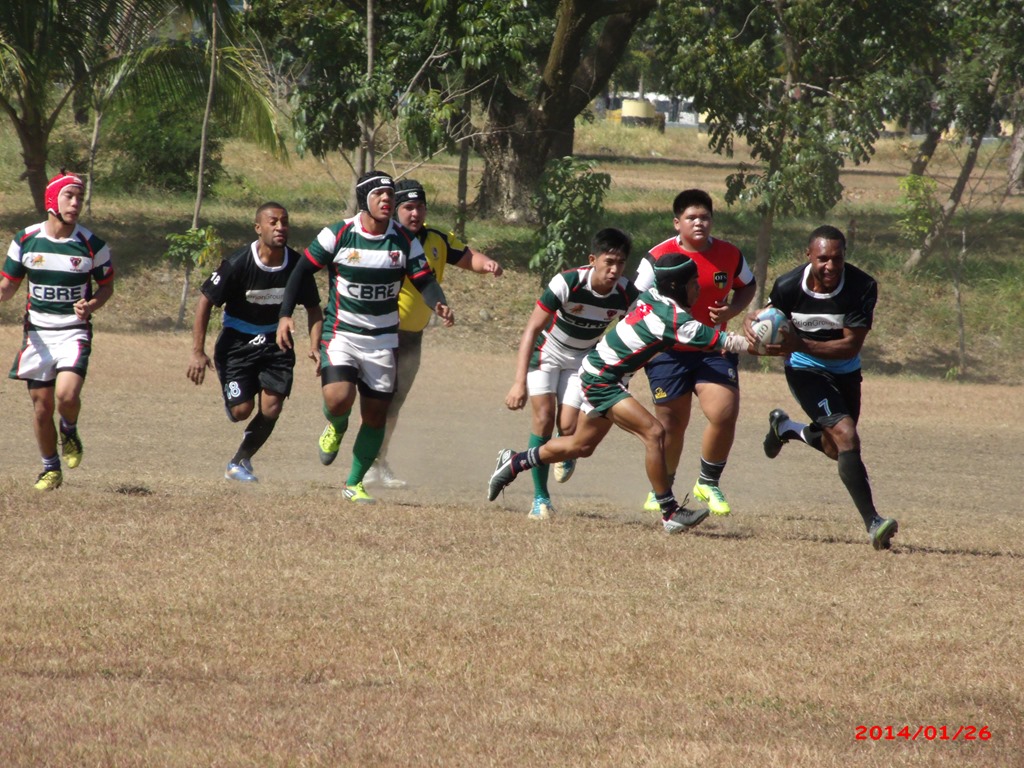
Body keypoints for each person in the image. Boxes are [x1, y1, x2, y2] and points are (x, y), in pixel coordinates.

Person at [488, 252, 752, 534]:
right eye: (693, 283)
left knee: (581, 446)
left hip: (601, 374)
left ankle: (515, 461)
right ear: (676, 287)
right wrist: (773, 341)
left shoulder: (654, 297)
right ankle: (670, 512)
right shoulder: (672, 319)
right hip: (602, 379)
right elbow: (728, 342)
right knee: (654, 432)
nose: (698, 288)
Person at [276, 170, 454, 504]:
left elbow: (424, 279)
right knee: (338, 399)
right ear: (364, 200)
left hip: (384, 340)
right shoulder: (339, 233)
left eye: (390, 195)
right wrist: (285, 314)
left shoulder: (404, 239)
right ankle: (337, 425)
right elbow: (301, 270)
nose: (387, 200)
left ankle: (354, 482)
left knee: (375, 416)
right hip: (341, 333)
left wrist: (439, 303)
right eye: (379, 195)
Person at [745, 225, 898, 551]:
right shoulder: (788, 285)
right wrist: (752, 323)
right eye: (823, 259)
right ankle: (873, 523)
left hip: (845, 370)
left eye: (837, 259)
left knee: (835, 448)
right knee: (846, 435)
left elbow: (849, 347)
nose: (830, 266)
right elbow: (767, 317)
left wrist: (799, 341)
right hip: (805, 370)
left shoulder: (861, 286)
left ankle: (785, 428)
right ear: (809, 256)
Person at [362, 178, 502, 489]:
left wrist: (487, 264)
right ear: (395, 209)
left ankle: (377, 461)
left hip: (412, 337)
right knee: (375, 400)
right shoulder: (383, 240)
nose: (415, 213)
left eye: (420, 207)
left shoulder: (437, 240)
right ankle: (363, 457)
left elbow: (467, 257)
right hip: (380, 332)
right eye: (408, 207)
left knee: (394, 402)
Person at [634, 189, 756, 517]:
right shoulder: (657, 257)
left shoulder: (729, 254)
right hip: (667, 352)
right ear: (677, 223)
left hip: (713, 347)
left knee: (724, 412)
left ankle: (708, 482)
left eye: (705, 217)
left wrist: (732, 310)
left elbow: (748, 285)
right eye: (691, 217)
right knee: (672, 424)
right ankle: (663, 487)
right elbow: (635, 301)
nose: (699, 222)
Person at [503, 227, 638, 520]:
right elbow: (531, 329)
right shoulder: (567, 283)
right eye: (608, 262)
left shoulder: (627, 293)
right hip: (547, 353)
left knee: (568, 428)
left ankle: (564, 451)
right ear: (593, 259)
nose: (614, 270)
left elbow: (635, 334)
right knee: (543, 418)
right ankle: (540, 499)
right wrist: (518, 383)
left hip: (583, 360)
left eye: (620, 263)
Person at [187, 202, 323, 482]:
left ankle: (240, 461)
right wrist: (197, 352)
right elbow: (204, 303)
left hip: (277, 342)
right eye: (273, 222)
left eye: (284, 222)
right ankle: (234, 398)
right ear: (258, 228)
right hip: (237, 344)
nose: (280, 227)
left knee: (272, 408)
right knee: (241, 411)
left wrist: (314, 345)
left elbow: (313, 308)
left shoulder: (298, 266)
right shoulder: (238, 263)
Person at [0, 171, 114, 491]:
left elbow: (106, 287)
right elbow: (8, 287)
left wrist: (90, 305)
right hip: (37, 333)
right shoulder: (25, 240)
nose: (76, 203)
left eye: (79, 197)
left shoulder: (92, 245)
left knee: (66, 395)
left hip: (73, 332)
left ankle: (69, 429)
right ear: (52, 200)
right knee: (41, 406)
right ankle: (50, 468)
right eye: (69, 196)